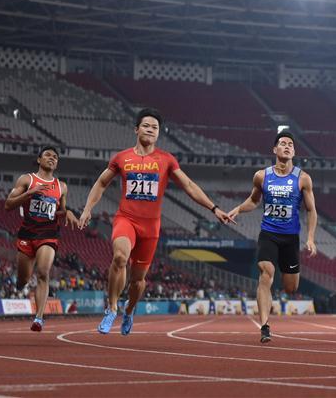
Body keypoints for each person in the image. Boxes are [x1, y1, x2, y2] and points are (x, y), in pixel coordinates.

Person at [78, 108, 232, 335]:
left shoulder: (166, 160)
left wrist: (214, 208)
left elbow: (189, 186)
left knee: (138, 281)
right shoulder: (121, 158)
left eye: (155, 127)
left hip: (150, 227)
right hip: (126, 219)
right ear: (136, 129)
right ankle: (111, 308)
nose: (150, 130)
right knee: (120, 258)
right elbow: (101, 183)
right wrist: (87, 209)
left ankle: (129, 310)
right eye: (146, 125)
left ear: (159, 133)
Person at [227, 131, 318, 343]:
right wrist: (238, 209)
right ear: (274, 149)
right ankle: (265, 326)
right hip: (268, 234)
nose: (286, 146)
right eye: (282, 143)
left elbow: (311, 210)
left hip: (291, 238)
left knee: (290, 287)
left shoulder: (303, 178)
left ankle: (270, 299)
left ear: (294, 151)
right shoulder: (262, 176)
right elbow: (253, 200)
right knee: (266, 272)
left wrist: (311, 238)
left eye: (290, 145)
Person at [5, 146, 77, 332]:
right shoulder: (27, 179)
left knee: (43, 272)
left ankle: (39, 318)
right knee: (23, 279)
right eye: (48, 155)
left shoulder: (61, 186)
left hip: (48, 234)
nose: (52, 158)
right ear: (39, 159)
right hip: (27, 234)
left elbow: (59, 209)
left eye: (55, 157)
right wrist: (29, 193)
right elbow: (7, 205)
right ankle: (21, 283)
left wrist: (67, 212)